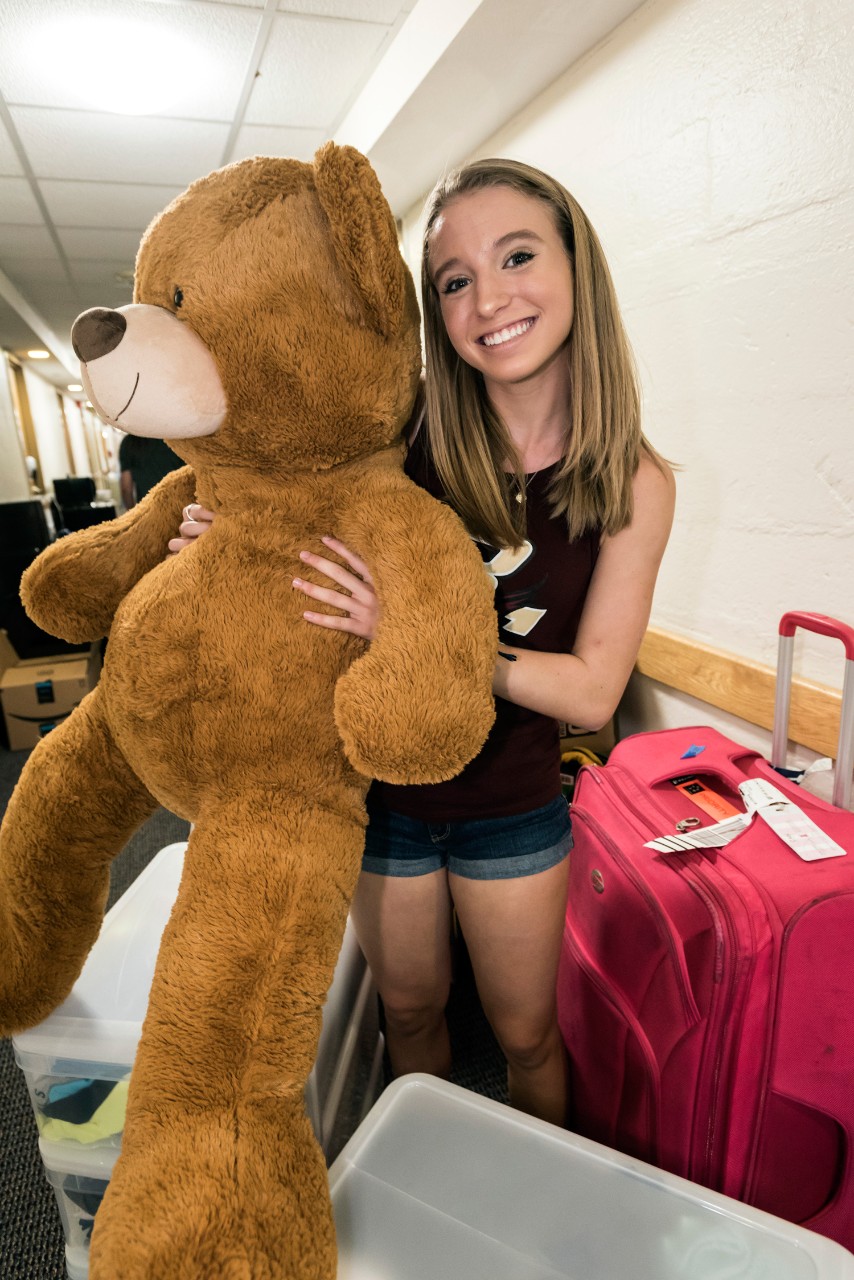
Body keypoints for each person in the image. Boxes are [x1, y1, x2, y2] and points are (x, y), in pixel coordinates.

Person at [170, 158, 675, 1128]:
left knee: (526, 1035)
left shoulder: (631, 482)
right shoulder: (398, 439)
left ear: (576, 268)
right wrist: (229, 544)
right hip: (382, 797)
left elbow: (589, 693)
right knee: (407, 1010)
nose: (488, 298)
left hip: (512, 808)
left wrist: (417, 635)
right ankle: (428, 1190)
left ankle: (530, 1209)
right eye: (452, 280)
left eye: (516, 255)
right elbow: (299, 561)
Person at [119, 432, 184, 509]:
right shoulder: (174, 434)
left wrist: (132, 514)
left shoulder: (129, 442)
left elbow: (126, 488)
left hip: (148, 510)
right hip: (180, 507)